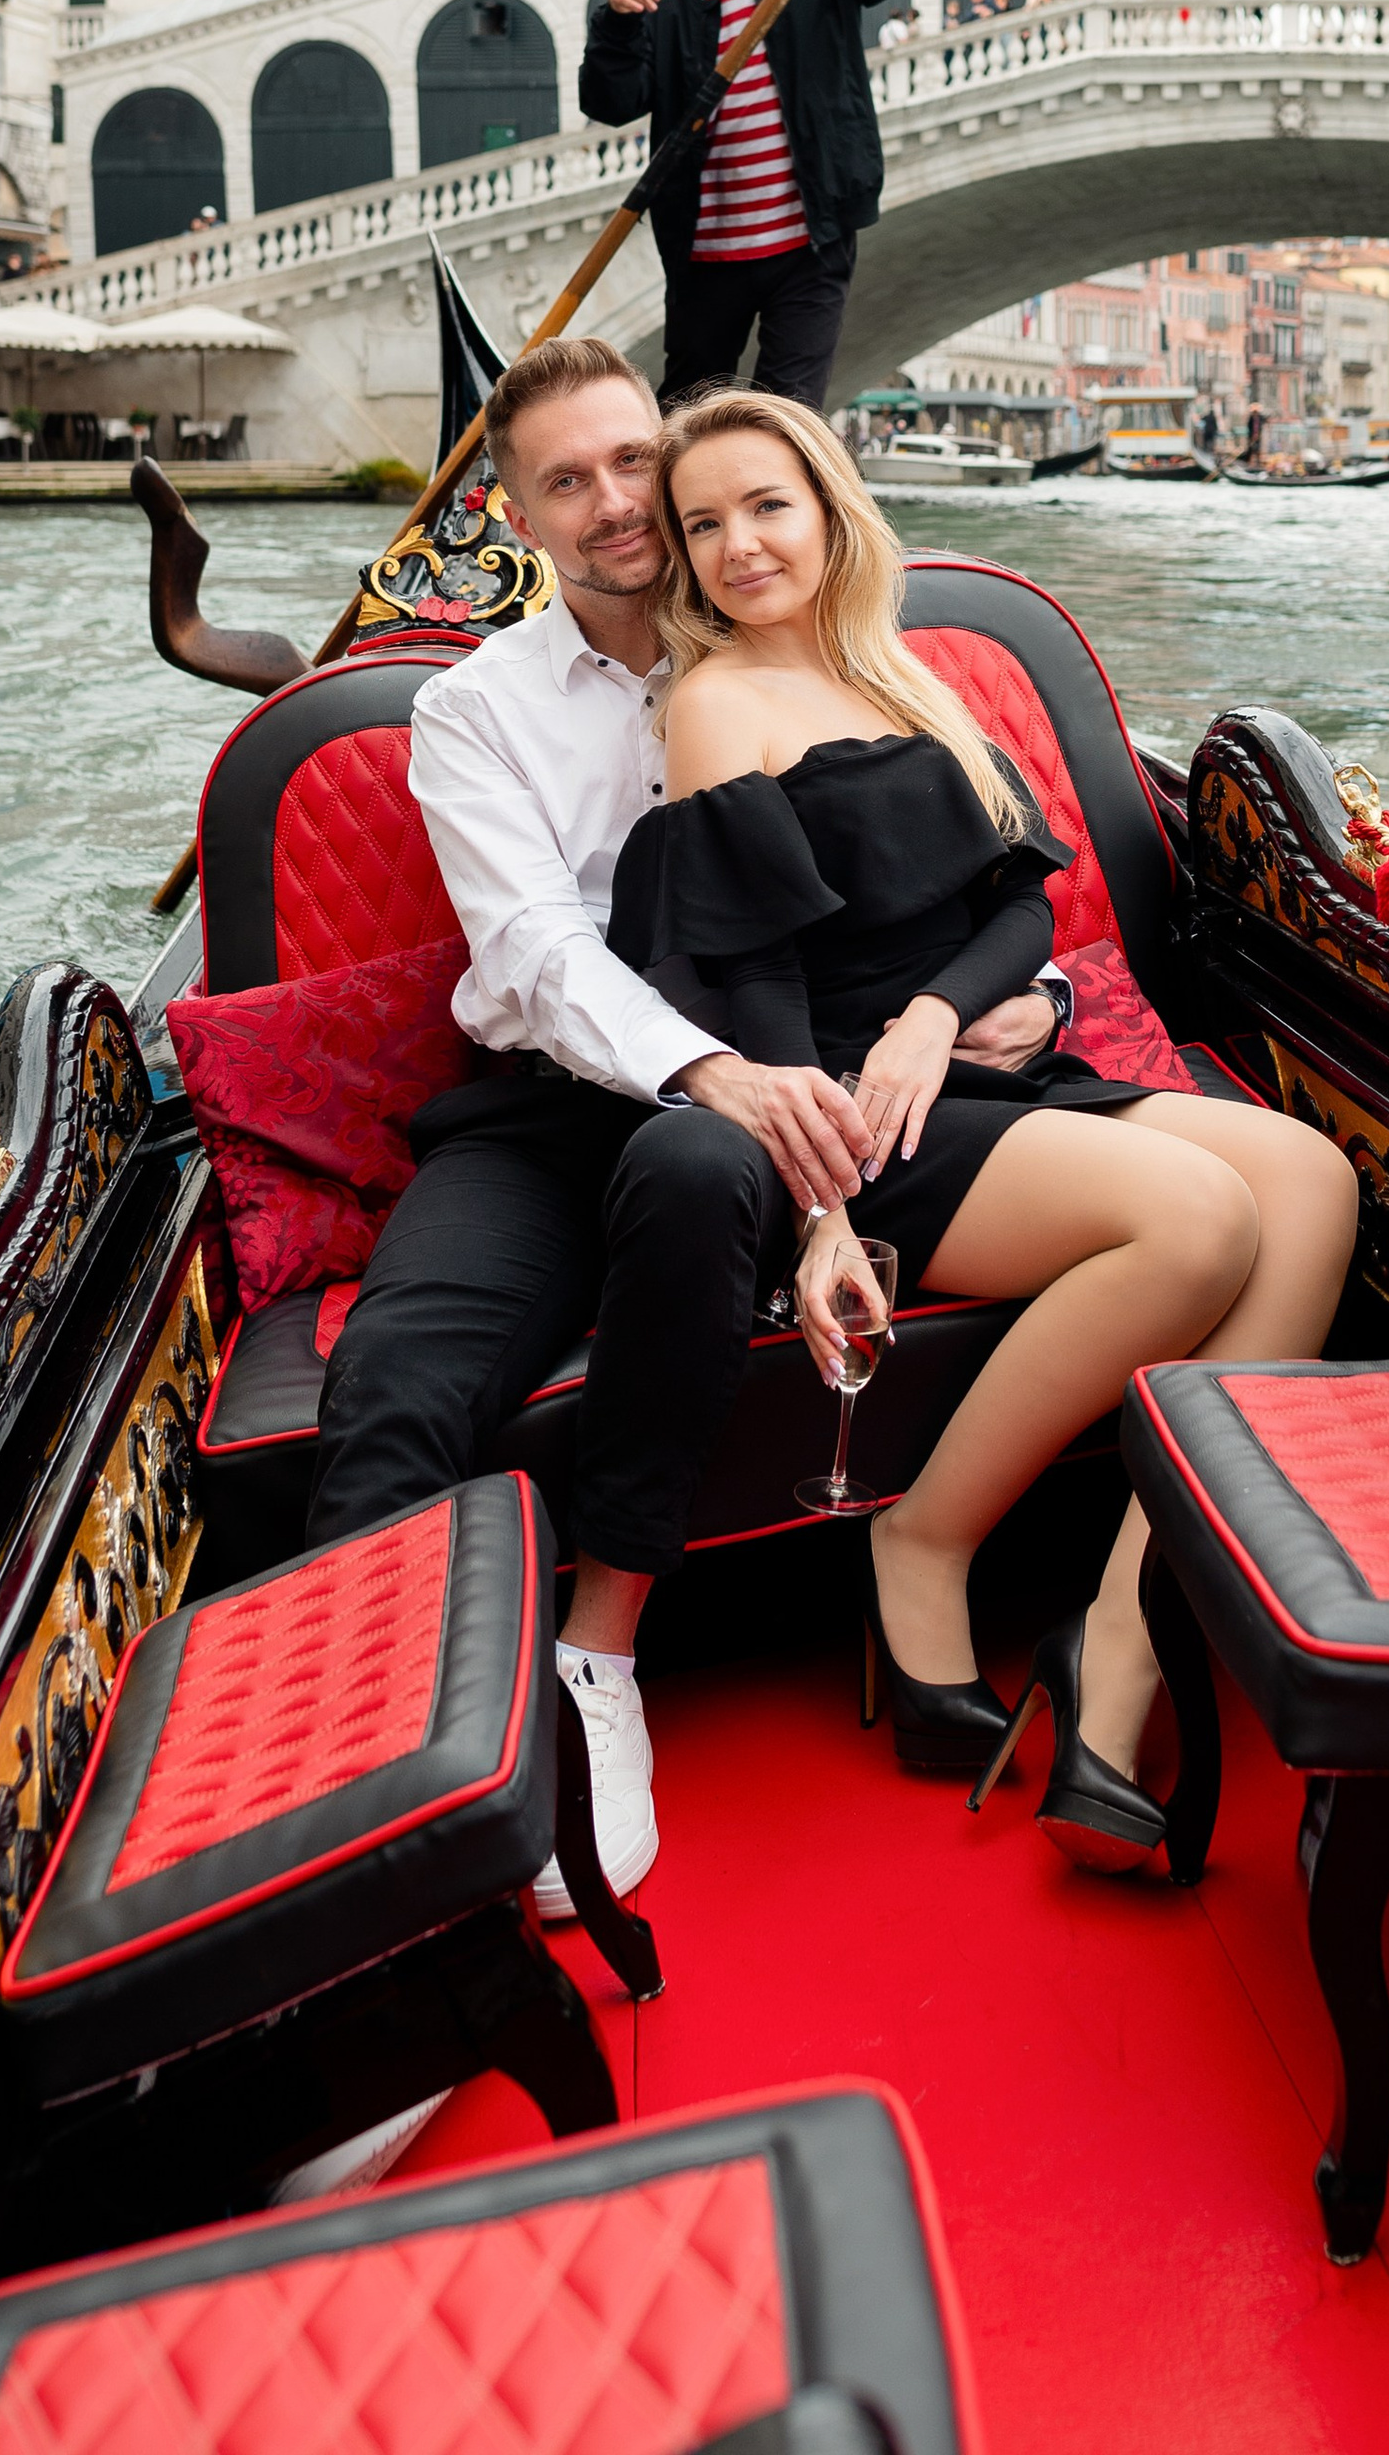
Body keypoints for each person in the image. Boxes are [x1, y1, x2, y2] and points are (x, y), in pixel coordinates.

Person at [615, 389, 1359, 1862]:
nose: (739, 545)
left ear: (830, 510)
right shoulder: (714, 704)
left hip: (964, 1065)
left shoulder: (904, 675)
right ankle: (923, 1537)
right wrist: (821, 1207)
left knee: (1311, 1178)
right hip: (855, 1116)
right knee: (1199, 1220)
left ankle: (1121, 1636)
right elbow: (755, 974)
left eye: (767, 505)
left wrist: (940, 1012)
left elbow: (1022, 903)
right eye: (703, 524)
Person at [312, 337, 969, 1911]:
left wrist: (1015, 1001)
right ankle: (366, 1802)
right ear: (513, 515)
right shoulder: (475, 708)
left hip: (761, 1099)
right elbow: (536, 954)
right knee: (397, 1376)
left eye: (631, 464)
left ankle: (597, 1667)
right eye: (567, 483)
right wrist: (707, 1066)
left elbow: (956, 872)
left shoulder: (803, 642)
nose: (615, 504)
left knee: (692, 1168)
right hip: (555, 1108)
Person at [582, 0, 958, 411]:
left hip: (810, 243)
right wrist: (617, 24)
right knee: (685, 417)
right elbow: (611, 102)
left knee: (788, 420)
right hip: (704, 255)